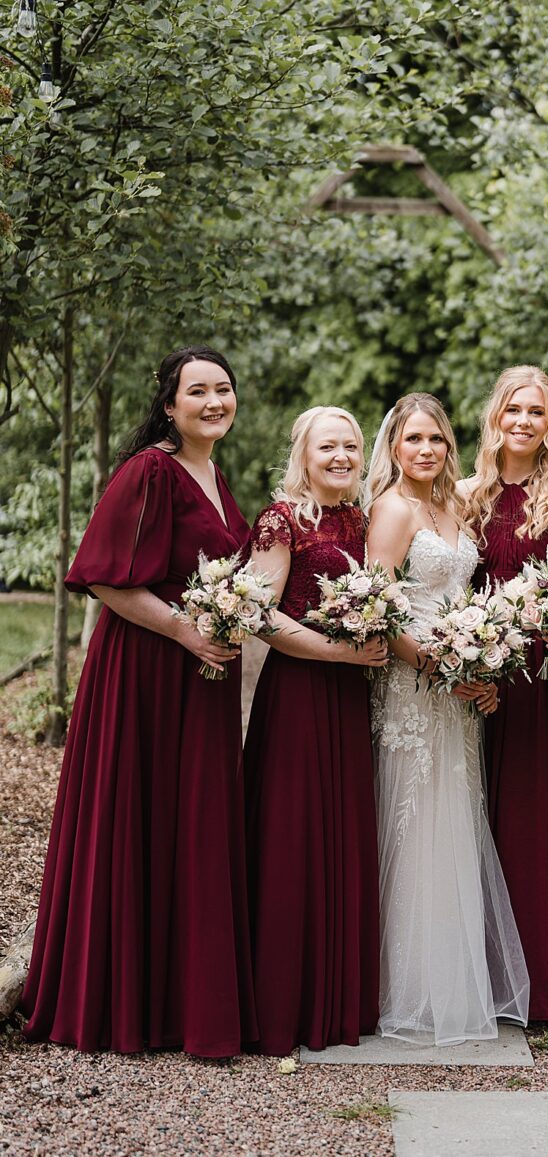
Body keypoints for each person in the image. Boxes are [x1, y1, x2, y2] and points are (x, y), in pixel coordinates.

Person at [22, 346, 256, 1056]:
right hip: (146, 676)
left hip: (201, 680)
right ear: (169, 404)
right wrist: (187, 631)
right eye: (198, 392)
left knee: (193, 825)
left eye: (223, 390)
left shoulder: (213, 472)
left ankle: (184, 1002)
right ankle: (124, 1004)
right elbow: (106, 581)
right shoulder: (149, 470)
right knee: (143, 818)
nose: (214, 402)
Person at [363, 392, 529, 1044]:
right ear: (395, 447)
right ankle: (402, 987)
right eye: (414, 440)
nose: (426, 449)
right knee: (412, 818)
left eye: (435, 438)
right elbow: (376, 607)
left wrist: (482, 672)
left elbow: (470, 597)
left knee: (455, 816)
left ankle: (451, 984)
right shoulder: (393, 508)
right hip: (413, 684)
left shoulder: (455, 505)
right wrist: (438, 666)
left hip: (460, 688)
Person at [241, 407, 386, 1055]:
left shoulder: (363, 519)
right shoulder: (282, 519)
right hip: (300, 692)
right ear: (303, 454)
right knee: (294, 836)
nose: (340, 455)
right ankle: (285, 1004)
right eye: (327, 445)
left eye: (350, 445)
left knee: (345, 831)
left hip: (352, 698)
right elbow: (257, 614)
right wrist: (336, 653)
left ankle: (343, 998)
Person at [463, 367, 548, 1022]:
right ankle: (473, 975)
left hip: (538, 679)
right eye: (513, 408)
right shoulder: (464, 495)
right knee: (468, 816)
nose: (522, 420)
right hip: (472, 670)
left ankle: (543, 982)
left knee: (531, 823)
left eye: (535, 412)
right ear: (496, 416)